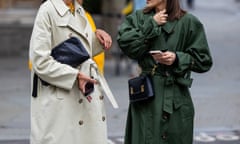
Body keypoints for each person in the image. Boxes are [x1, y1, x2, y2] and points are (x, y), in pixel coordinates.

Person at [117, 0, 213, 143]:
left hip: (176, 99)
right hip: (146, 95)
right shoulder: (139, 18)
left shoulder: (188, 22)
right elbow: (127, 45)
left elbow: (204, 61)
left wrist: (177, 58)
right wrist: (151, 25)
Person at [29, 0, 116, 143]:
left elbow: (77, 50)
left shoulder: (78, 10)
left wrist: (96, 39)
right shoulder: (48, 10)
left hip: (83, 96)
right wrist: (74, 76)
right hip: (60, 100)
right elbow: (40, 61)